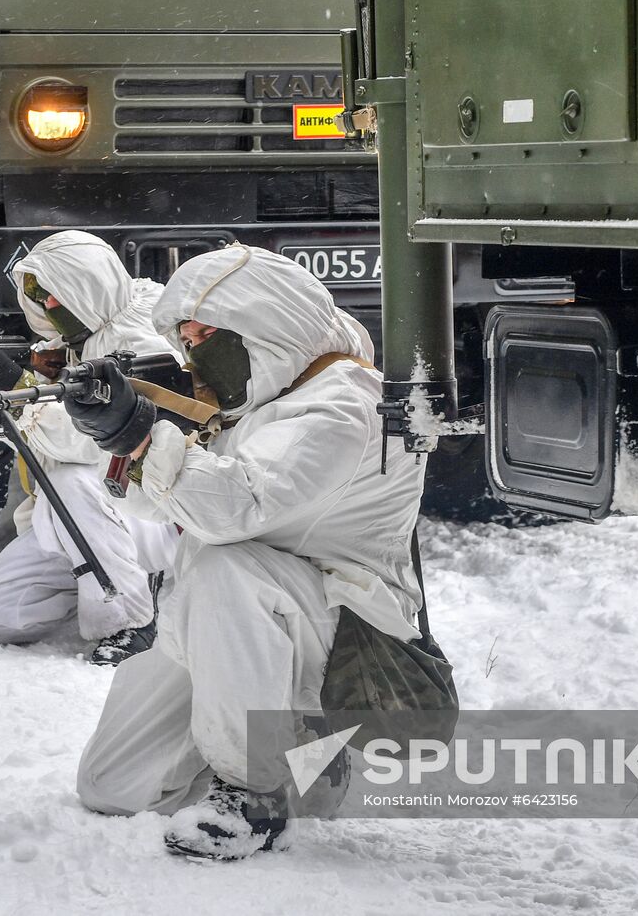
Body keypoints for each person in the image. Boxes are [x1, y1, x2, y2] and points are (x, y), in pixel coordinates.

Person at [66, 244, 427, 860]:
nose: (195, 350)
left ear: (263, 320)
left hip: (346, 640)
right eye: (186, 338)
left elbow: (235, 507)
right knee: (112, 785)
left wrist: (143, 432)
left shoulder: (345, 406)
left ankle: (254, 793)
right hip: (240, 625)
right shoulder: (268, 392)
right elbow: (163, 505)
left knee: (224, 569)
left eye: (205, 332)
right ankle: (287, 755)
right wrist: (130, 428)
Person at [0, 231, 180, 665]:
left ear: (87, 289)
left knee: (70, 481)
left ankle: (131, 620)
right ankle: (107, 576)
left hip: (151, 507)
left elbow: (91, 445)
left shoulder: (140, 339)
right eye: (39, 298)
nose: (47, 308)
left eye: (53, 297)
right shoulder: (79, 337)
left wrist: (20, 390)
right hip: (85, 521)